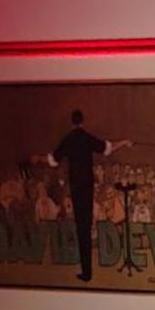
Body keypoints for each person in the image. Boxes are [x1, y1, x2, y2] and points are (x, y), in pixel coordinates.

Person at [45, 109, 131, 281]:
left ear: (72, 122)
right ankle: (87, 272)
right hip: (87, 186)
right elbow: (108, 148)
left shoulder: (68, 139)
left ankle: (86, 272)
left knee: (81, 228)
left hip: (76, 187)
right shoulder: (87, 138)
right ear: (83, 121)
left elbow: (52, 160)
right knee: (86, 224)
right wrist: (124, 142)